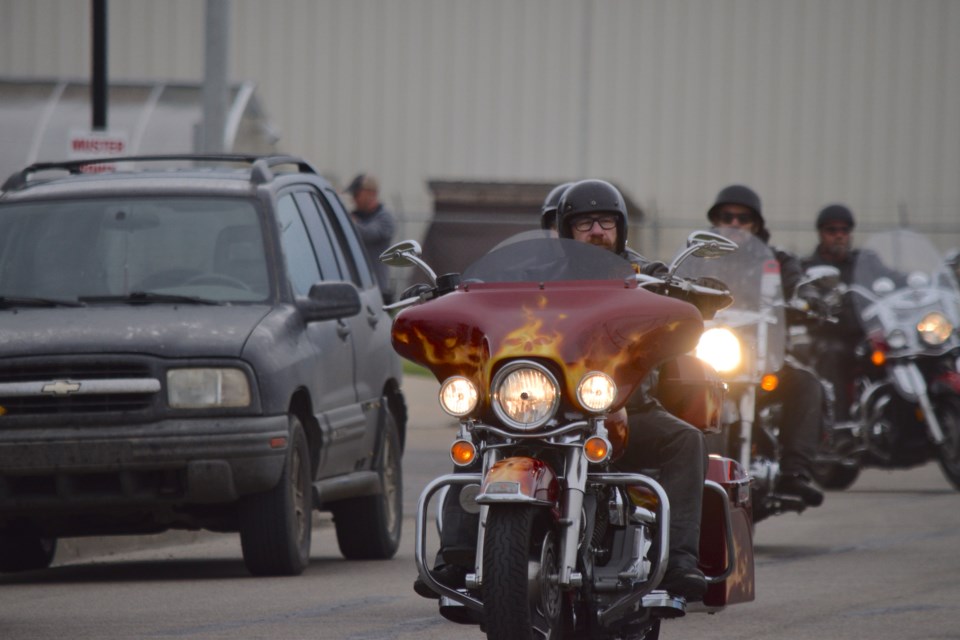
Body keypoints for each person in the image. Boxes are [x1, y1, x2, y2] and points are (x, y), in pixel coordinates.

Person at [415, 179, 710, 602]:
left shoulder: (645, 277)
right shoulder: (534, 276)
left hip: (622, 408)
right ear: (565, 231)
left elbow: (681, 300)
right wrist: (448, 293)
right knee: (478, 432)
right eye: (584, 222)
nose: (595, 231)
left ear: (620, 228)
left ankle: (680, 560)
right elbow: (488, 296)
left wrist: (692, 293)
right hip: (544, 405)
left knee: (686, 440)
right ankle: (457, 555)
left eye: (605, 222)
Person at [707, 185, 825, 508]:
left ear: (756, 224)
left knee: (806, 384)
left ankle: (794, 474)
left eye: (743, 218)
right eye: (726, 216)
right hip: (709, 361)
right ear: (715, 220)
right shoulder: (699, 256)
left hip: (764, 363)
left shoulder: (777, 260)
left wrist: (808, 298)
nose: (734, 223)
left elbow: (797, 283)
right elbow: (672, 280)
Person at [801, 205, 862, 422]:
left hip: (862, 336)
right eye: (832, 230)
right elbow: (798, 295)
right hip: (826, 337)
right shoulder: (808, 268)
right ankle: (838, 427)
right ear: (821, 234)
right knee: (831, 354)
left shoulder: (863, 263)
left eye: (844, 231)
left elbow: (892, 280)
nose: (839, 236)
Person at [345, 173, 396, 302]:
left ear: (370, 193)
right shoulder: (356, 216)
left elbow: (369, 234)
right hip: (356, 287)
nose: (353, 200)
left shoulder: (385, 218)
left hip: (376, 289)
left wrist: (348, 222)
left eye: (356, 194)